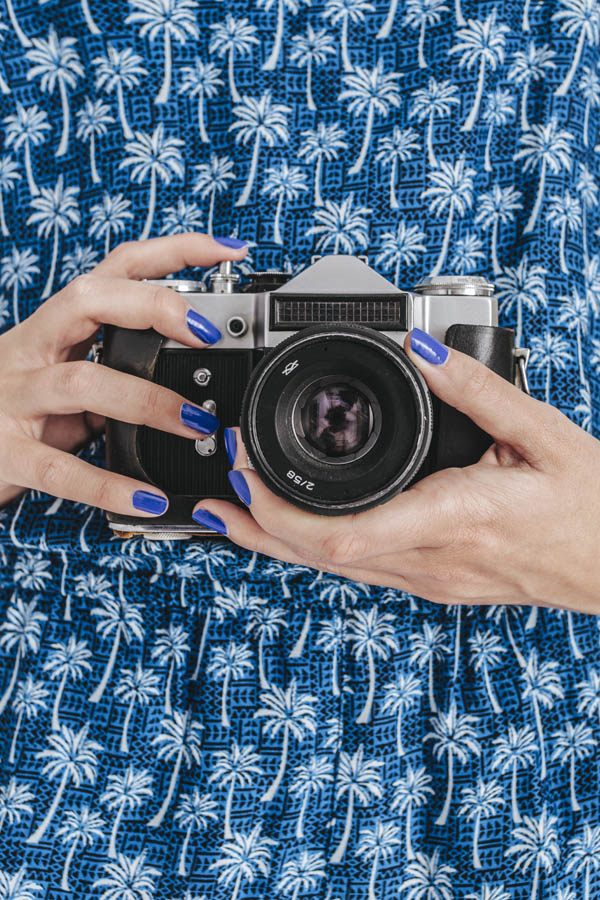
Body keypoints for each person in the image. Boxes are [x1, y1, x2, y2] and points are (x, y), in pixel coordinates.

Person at [0, 1, 598, 897]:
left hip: (521, 741)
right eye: (332, 415)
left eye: (342, 415)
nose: (333, 421)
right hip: (88, 724)